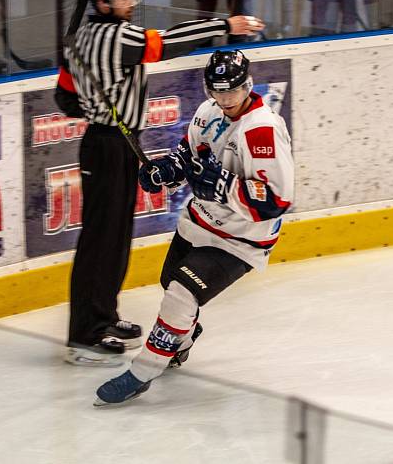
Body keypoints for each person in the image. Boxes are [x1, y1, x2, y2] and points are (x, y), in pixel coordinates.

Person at [55, 0, 265, 366]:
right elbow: (165, 43)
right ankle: (84, 335)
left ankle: (103, 317)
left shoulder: (80, 38)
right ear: (102, 1)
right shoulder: (114, 37)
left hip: (105, 141)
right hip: (109, 145)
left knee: (113, 237)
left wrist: (99, 107)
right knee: (101, 240)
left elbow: (64, 98)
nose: (132, 3)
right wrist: (225, 25)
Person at [94, 49, 294, 405]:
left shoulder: (261, 130)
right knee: (169, 282)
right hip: (198, 222)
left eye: (233, 90)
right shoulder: (207, 112)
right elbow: (188, 154)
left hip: (240, 239)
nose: (226, 99)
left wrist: (223, 186)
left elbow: (275, 202)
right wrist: (166, 171)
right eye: (218, 91)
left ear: (247, 85)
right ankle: (181, 340)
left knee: (181, 293)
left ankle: (143, 371)